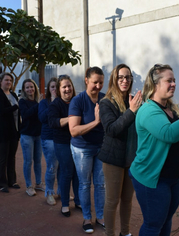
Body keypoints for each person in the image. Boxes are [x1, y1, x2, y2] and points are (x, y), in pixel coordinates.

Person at [129, 64, 179, 235]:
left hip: (172, 176)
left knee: (166, 219)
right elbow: (168, 134)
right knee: (153, 223)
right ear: (155, 84)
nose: (173, 84)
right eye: (169, 80)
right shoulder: (148, 109)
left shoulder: (172, 108)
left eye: (174, 81)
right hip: (153, 177)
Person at [98, 64, 142, 236]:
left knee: (127, 200)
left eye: (128, 77)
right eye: (121, 77)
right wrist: (131, 111)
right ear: (114, 80)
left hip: (131, 158)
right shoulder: (106, 102)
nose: (125, 80)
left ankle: (126, 233)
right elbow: (111, 129)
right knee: (112, 201)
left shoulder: (131, 100)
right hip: (113, 158)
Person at [69, 66, 106, 234]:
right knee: (84, 184)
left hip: (101, 148)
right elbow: (74, 130)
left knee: (100, 185)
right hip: (82, 149)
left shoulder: (105, 99)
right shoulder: (78, 101)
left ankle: (100, 216)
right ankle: (86, 217)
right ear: (86, 80)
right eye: (94, 82)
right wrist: (96, 122)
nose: (98, 86)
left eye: (101, 83)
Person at [48, 75, 80, 217]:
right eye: (64, 87)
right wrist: (71, 119)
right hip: (62, 143)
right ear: (59, 90)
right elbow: (53, 122)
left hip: (78, 142)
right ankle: (65, 204)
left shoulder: (77, 101)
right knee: (67, 172)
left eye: (69, 86)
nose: (67, 89)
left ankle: (78, 201)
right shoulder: (55, 104)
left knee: (78, 173)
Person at [0, 72, 21, 193]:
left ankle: (12, 180)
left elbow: (17, 114)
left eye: (10, 81)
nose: (8, 82)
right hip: (1, 132)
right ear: (0, 81)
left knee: (12, 157)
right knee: (3, 158)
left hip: (13, 131)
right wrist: (16, 107)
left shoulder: (12, 94)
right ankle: (1, 183)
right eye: (6, 80)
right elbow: (0, 112)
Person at [18, 79, 43, 197]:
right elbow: (26, 114)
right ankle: (29, 185)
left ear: (35, 88)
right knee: (28, 161)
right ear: (24, 89)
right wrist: (39, 105)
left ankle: (38, 183)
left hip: (38, 135)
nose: (30, 89)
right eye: (27, 87)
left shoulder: (38, 101)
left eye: (31, 87)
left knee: (38, 161)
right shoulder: (22, 102)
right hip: (27, 135)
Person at [39, 77, 60, 205]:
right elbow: (42, 118)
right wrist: (52, 103)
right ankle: (49, 192)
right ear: (48, 89)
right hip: (49, 138)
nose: (55, 89)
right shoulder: (44, 102)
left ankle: (62, 191)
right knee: (52, 167)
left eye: (57, 87)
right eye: (52, 87)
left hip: (62, 139)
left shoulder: (64, 102)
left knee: (63, 167)